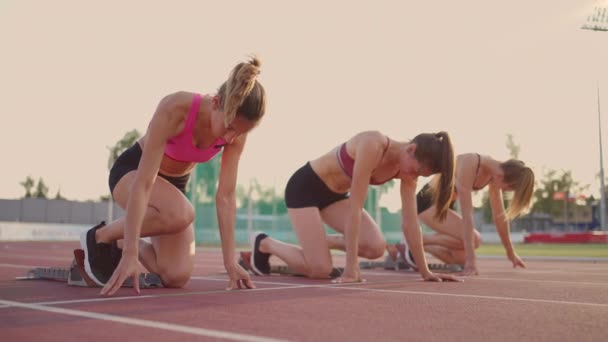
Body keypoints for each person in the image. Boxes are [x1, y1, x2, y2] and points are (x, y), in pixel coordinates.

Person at [80, 56, 267, 296]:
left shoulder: (237, 131)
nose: (231, 138)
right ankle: (100, 236)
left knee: (176, 275)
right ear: (216, 103)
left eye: (240, 132)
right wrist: (131, 253)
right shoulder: (175, 108)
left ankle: (117, 240)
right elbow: (144, 184)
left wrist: (230, 262)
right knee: (182, 213)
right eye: (229, 127)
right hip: (133, 174)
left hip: (173, 190)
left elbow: (226, 198)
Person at [249, 130, 460, 283]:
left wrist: (425, 272)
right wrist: (351, 268)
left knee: (376, 247)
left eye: (420, 175)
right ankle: (265, 243)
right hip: (305, 188)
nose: (414, 177)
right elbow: (356, 208)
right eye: (415, 171)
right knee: (320, 270)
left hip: (334, 197)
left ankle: (323, 243)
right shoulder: (373, 144)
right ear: (411, 149)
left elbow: (410, 222)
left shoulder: (407, 171)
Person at [404, 154, 535, 276]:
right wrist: (471, 261)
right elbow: (467, 216)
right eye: (507, 189)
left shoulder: (494, 176)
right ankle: (415, 240)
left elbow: (500, 217)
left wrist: (510, 252)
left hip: (444, 206)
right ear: (501, 176)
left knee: (459, 260)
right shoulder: (470, 163)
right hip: (427, 202)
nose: (503, 191)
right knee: (475, 239)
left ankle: (418, 245)